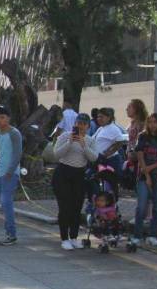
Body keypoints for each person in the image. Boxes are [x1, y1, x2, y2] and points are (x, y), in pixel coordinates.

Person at [52, 113, 97, 250]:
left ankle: (73, 237)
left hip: (79, 174)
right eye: (78, 124)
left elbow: (93, 158)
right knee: (64, 207)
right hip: (63, 173)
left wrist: (84, 145)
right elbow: (56, 154)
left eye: (84, 124)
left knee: (76, 207)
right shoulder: (65, 136)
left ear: (88, 127)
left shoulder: (89, 140)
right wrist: (69, 142)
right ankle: (64, 238)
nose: (80, 126)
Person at [132, 113, 157, 247]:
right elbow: (140, 156)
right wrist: (146, 175)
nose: (152, 125)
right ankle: (137, 235)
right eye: (150, 122)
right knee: (141, 207)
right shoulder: (142, 136)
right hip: (143, 177)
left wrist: (151, 168)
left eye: (155, 122)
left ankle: (152, 235)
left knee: (156, 208)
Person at [0, 106, 22, 246]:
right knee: (2, 202)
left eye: (2, 117)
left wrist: (10, 171)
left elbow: (17, 154)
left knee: (6, 202)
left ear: (8, 118)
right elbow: (2, 153)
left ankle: (11, 234)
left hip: (10, 173)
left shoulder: (14, 133)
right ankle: (9, 232)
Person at [92, 107, 126, 176]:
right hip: (100, 160)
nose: (99, 119)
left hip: (111, 161)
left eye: (101, 117)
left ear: (108, 118)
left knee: (111, 184)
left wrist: (109, 152)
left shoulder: (113, 128)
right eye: (98, 117)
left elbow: (120, 141)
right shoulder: (101, 128)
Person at [125, 99, 148, 166]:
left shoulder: (142, 124)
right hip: (131, 159)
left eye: (129, 107)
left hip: (139, 161)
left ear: (136, 109)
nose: (126, 109)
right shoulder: (131, 124)